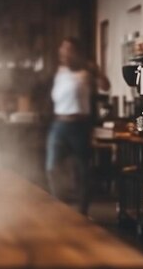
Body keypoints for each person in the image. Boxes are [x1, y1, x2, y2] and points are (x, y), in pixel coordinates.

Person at [45, 37, 110, 215]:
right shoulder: (58, 71)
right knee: (52, 167)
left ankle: (82, 212)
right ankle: (59, 206)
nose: (64, 53)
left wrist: (97, 72)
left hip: (79, 126)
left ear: (76, 53)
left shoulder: (86, 71)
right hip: (59, 124)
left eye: (68, 50)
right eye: (62, 50)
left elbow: (106, 86)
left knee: (82, 171)